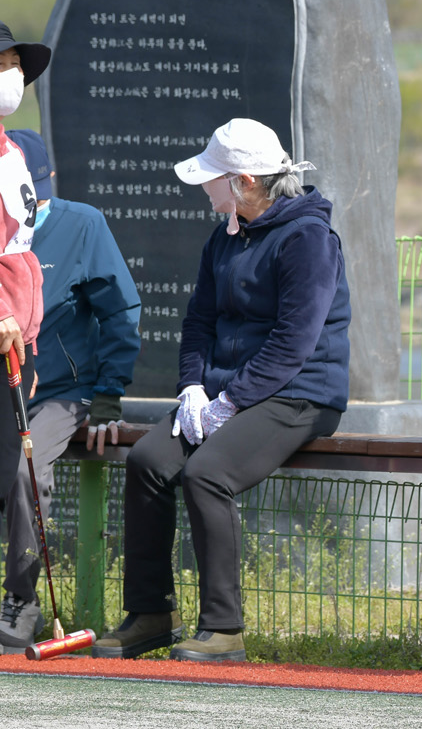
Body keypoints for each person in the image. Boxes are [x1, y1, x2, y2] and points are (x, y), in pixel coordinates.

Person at [91, 119, 349, 663]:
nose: (204, 187)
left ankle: (223, 629)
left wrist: (232, 401)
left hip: (301, 393)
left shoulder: (309, 238)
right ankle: (151, 615)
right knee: (148, 461)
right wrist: (192, 387)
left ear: (244, 182)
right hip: (224, 393)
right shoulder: (226, 233)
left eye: (212, 178)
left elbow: (294, 342)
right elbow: (199, 321)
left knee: (208, 474)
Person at [0, 130, 139, 652]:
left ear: (49, 180)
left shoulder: (83, 225)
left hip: (61, 390)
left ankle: (21, 599)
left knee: (25, 470)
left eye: (35, 197)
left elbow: (120, 310)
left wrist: (108, 393)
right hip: (5, 386)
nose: (29, 211)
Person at [0, 22, 48, 511]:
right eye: (0, 65)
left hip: (15, 341)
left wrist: (28, 345)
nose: (12, 76)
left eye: (15, 65)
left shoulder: (11, 150)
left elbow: (20, 246)